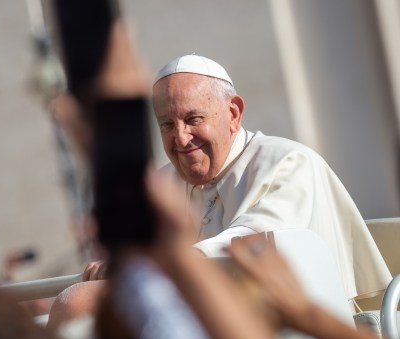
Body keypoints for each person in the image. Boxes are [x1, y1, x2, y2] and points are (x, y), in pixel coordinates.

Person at [151, 54, 391, 302]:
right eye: (167, 125)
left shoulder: (291, 162)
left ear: (233, 114)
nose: (180, 138)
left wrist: (174, 261)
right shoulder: (161, 184)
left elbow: (256, 243)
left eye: (193, 119)